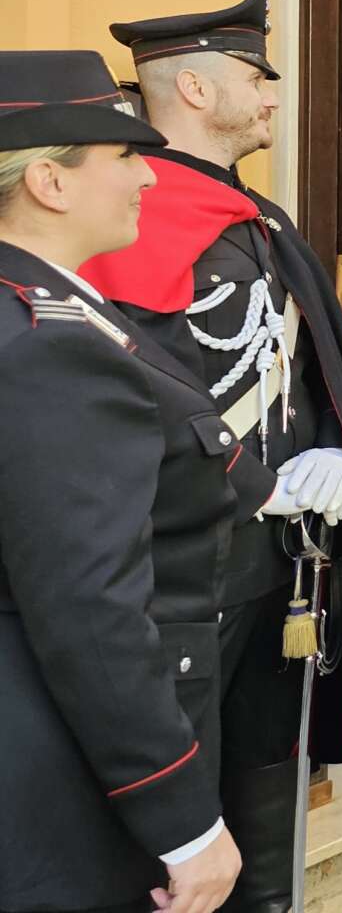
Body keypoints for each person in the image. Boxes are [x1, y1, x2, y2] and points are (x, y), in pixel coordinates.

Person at [79, 0, 342, 908]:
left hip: (278, 564)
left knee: (268, 788)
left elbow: (309, 362)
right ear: (195, 87)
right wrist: (253, 480)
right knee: (175, 816)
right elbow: (134, 396)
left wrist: (338, 449)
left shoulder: (254, 216)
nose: (272, 96)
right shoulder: (129, 217)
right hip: (185, 570)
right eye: (255, 76)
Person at [0, 50, 289, 913]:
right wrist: (184, 823)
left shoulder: (52, 303)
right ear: (50, 182)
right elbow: (91, 610)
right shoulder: (49, 344)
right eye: (123, 157)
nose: (148, 179)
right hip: (61, 764)